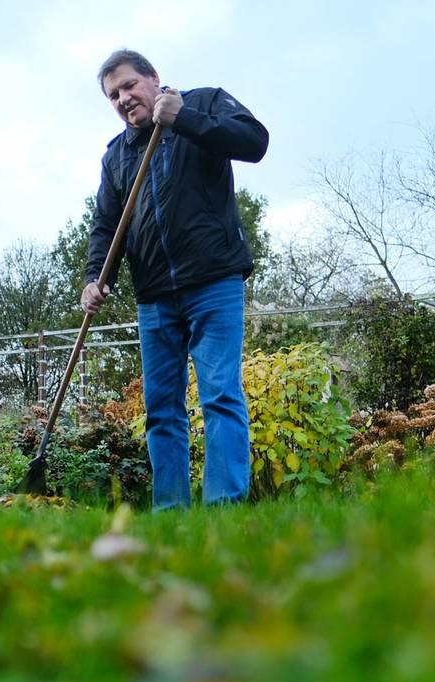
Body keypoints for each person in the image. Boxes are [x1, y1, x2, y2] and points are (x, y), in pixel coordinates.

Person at [82, 49, 268, 509]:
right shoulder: (118, 154)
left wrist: (185, 120)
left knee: (219, 393)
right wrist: (93, 277)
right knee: (161, 410)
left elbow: (255, 142)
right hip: (155, 298)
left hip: (213, 282)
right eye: (113, 96)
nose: (123, 99)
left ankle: (225, 510)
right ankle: (171, 516)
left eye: (128, 86)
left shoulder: (202, 104)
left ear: (153, 78)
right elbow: (106, 224)